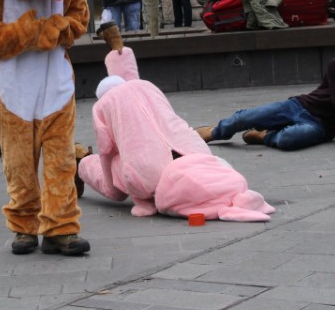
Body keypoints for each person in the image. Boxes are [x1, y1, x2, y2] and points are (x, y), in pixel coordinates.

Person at [79, 25, 274, 221]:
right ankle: (118, 50)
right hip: (187, 147)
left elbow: (105, 148)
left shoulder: (102, 106)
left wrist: (112, 179)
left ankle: (81, 160)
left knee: (115, 189)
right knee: (134, 91)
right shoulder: (146, 87)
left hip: (154, 164)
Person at [196, 34, 335, 151]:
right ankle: (214, 132)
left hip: (321, 127)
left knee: (290, 140)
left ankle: (265, 135)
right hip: (299, 106)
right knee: (245, 118)